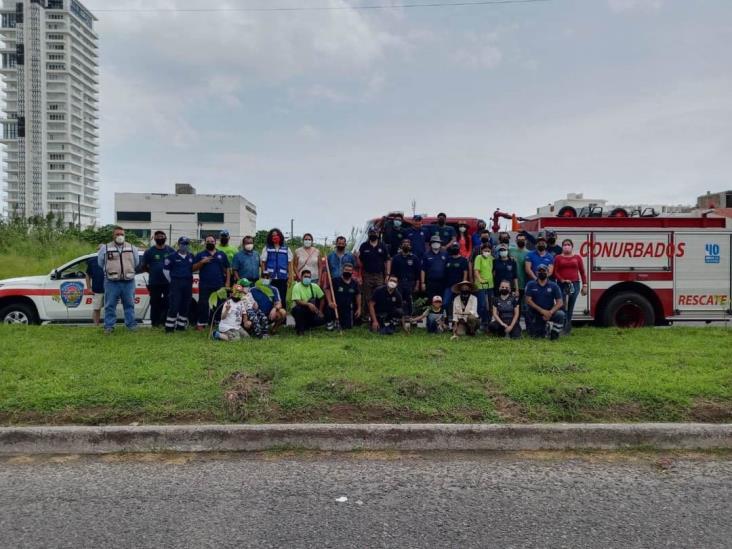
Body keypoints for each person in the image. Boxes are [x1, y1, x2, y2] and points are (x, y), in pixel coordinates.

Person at [97, 226, 140, 334]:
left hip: (128, 281)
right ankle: (109, 326)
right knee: (110, 305)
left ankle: (131, 325)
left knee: (129, 305)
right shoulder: (105, 248)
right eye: (117, 234)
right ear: (113, 235)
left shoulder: (132, 247)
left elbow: (136, 262)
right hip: (111, 282)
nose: (120, 236)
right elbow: (100, 263)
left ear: (124, 235)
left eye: (122, 234)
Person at [193, 235, 230, 331]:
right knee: (203, 304)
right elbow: (193, 268)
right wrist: (202, 262)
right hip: (205, 284)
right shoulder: (200, 254)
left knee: (219, 305)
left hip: (219, 284)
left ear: (215, 242)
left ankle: (216, 322)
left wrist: (227, 282)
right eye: (208, 241)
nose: (210, 243)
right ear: (205, 242)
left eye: (212, 241)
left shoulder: (221, 254)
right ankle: (202, 323)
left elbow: (227, 269)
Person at [553, 238, 588, 334]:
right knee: (562, 306)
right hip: (562, 284)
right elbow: (555, 271)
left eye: (568, 244)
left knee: (571, 306)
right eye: (564, 244)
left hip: (575, 284)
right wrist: (562, 280)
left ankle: (567, 328)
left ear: (572, 246)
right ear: (562, 246)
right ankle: (562, 326)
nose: (566, 246)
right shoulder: (558, 258)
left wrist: (585, 285)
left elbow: (582, 272)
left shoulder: (577, 258)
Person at [141, 231, 174, 328]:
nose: (160, 238)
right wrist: (152, 272)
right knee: (155, 303)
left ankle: (164, 322)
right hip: (154, 282)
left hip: (168, 282)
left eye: (162, 236)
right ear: (154, 238)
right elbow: (143, 266)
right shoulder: (149, 251)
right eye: (158, 237)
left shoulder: (170, 250)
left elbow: (175, 264)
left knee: (168, 302)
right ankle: (155, 323)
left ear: (165, 238)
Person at [357, 228, 390, 322]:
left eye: (375, 232)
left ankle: (379, 315)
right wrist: (356, 258)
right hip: (367, 274)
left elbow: (387, 260)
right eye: (371, 233)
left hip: (379, 275)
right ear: (368, 234)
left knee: (380, 294)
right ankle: (367, 316)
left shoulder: (382, 246)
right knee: (367, 296)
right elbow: (360, 263)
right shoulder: (363, 246)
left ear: (378, 234)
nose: (373, 234)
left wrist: (387, 274)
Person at [525, 264, 566, 340]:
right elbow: (528, 300)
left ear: (548, 272)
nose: (542, 273)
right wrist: (542, 311)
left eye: (544, 271)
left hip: (549, 312)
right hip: (536, 313)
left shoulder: (554, 286)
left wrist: (550, 312)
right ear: (536, 273)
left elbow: (560, 302)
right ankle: (544, 329)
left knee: (561, 314)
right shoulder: (531, 284)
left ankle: (554, 333)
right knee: (537, 336)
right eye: (539, 271)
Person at [163, 237, 195, 333]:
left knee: (185, 305)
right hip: (176, 283)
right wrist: (173, 281)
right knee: (174, 305)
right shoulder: (171, 256)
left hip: (188, 283)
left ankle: (181, 326)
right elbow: (165, 271)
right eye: (182, 243)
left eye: (186, 244)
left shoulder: (191, 256)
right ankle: (169, 328)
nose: (184, 246)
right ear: (178, 244)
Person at [389, 238, 421, 316]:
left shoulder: (414, 258)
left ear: (410, 246)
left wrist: (417, 285)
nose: (406, 245)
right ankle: (399, 317)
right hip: (399, 283)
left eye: (408, 244)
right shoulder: (396, 258)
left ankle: (410, 317)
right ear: (401, 245)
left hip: (410, 283)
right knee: (398, 300)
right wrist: (392, 285)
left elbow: (417, 274)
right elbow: (392, 273)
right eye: (404, 244)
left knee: (410, 300)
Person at [260, 228, 293, 303]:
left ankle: (282, 313)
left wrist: (290, 277)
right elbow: (263, 263)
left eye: (277, 235)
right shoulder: (267, 248)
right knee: (270, 297)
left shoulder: (286, 249)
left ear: (280, 236)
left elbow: (290, 264)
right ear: (270, 238)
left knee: (282, 297)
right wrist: (264, 277)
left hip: (282, 278)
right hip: (270, 278)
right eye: (273, 236)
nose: (275, 237)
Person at [326, 262, 361, 330]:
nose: (348, 272)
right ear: (342, 270)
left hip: (347, 309)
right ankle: (331, 322)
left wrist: (359, 308)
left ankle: (340, 323)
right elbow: (327, 290)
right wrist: (330, 302)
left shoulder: (354, 283)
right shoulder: (335, 281)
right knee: (329, 309)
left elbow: (358, 295)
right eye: (346, 270)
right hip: (335, 307)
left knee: (348, 327)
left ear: (352, 272)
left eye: (350, 270)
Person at [291, 269, 326, 335]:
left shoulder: (315, 286)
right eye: (305, 277)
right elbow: (297, 301)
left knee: (322, 320)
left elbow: (322, 298)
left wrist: (320, 311)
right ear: (301, 277)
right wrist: (308, 304)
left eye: (309, 277)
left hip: (312, 311)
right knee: (298, 310)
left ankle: (305, 324)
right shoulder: (297, 286)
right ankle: (300, 330)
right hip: (300, 309)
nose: (307, 279)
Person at [473, 242, 495, 326]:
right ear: (482, 250)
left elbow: (493, 270)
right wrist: (480, 279)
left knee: (490, 305)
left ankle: (488, 323)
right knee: (482, 304)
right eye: (485, 250)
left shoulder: (491, 258)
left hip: (490, 285)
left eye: (488, 251)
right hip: (481, 285)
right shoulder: (478, 257)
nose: (487, 252)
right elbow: (476, 271)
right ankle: (480, 322)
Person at [421, 235, 448, 302]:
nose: (436, 244)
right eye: (434, 242)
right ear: (430, 244)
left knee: (441, 300)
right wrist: (423, 283)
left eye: (437, 242)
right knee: (431, 300)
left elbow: (448, 268)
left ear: (440, 243)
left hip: (442, 282)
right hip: (430, 282)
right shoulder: (426, 254)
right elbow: (423, 270)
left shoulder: (445, 254)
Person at [85, 248, 105, 326]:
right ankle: (96, 325)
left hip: (110, 289)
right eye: (100, 249)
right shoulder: (92, 261)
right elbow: (88, 275)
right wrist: (89, 288)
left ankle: (108, 325)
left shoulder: (110, 259)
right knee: (96, 309)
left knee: (109, 309)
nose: (101, 251)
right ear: (97, 250)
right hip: (97, 290)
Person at [513, 233, 531, 307]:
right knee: (515, 306)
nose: (521, 241)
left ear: (526, 241)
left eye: (523, 240)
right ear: (516, 240)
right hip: (513, 285)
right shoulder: (510, 251)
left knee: (526, 306)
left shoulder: (530, 254)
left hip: (525, 284)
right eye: (519, 240)